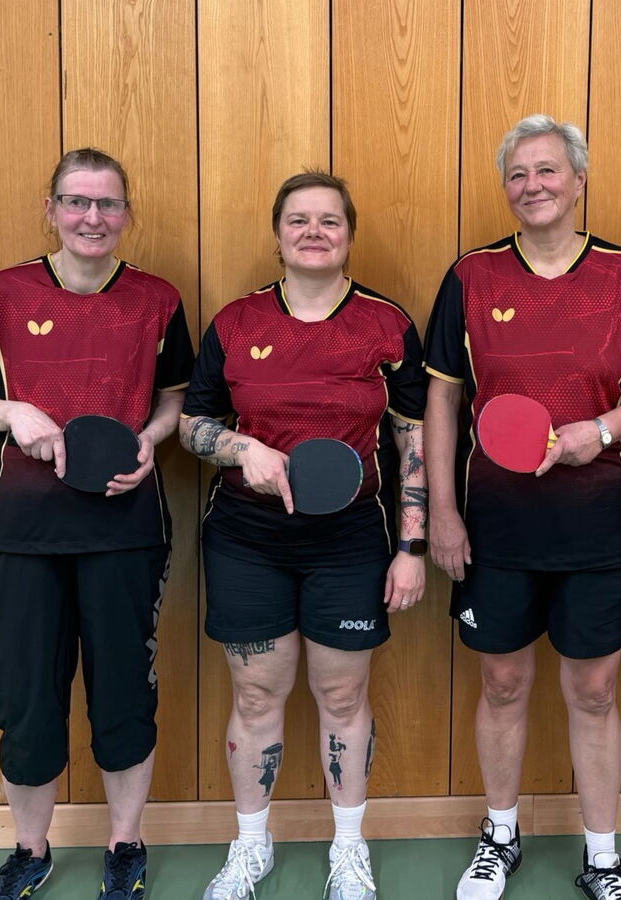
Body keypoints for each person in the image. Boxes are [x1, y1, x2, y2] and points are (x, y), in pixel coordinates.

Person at [424, 114, 621, 900]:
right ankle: (499, 839)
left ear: (578, 181)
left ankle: (602, 859)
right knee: (502, 685)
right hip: (495, 528)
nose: (532, 185)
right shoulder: (470, 277)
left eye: (547, 171)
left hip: (598, 526)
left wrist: (595, 433)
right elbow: (442, 400)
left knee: (594, 692)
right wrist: (443, 511)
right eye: (518, 174)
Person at [0, 148, 195, 900]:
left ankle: (126, 846)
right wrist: (13, 410)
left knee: (123, 696)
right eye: (77, 202)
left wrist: (150, 441)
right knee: (24, 698)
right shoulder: (2, 293)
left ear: (126, 213)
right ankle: (30, 851)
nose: (93, 217)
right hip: (24, 533)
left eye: (107, 203)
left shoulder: (157, 299)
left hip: (126, 529)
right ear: (51, 209)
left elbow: (176, 398)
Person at [180, 171, 428, 900]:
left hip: (351, 539)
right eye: (298, 220)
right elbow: (193, 424)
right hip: (246, 537)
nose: (313, 232)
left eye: (329, 220)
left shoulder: (386, 325)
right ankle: (249, 848)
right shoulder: (235, 322)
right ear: (278, 232)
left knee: (342, 695)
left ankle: (348, 850)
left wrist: (411, 547)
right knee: (257, 694)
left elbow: (413, 439)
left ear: (348, 234)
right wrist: (242, 450)